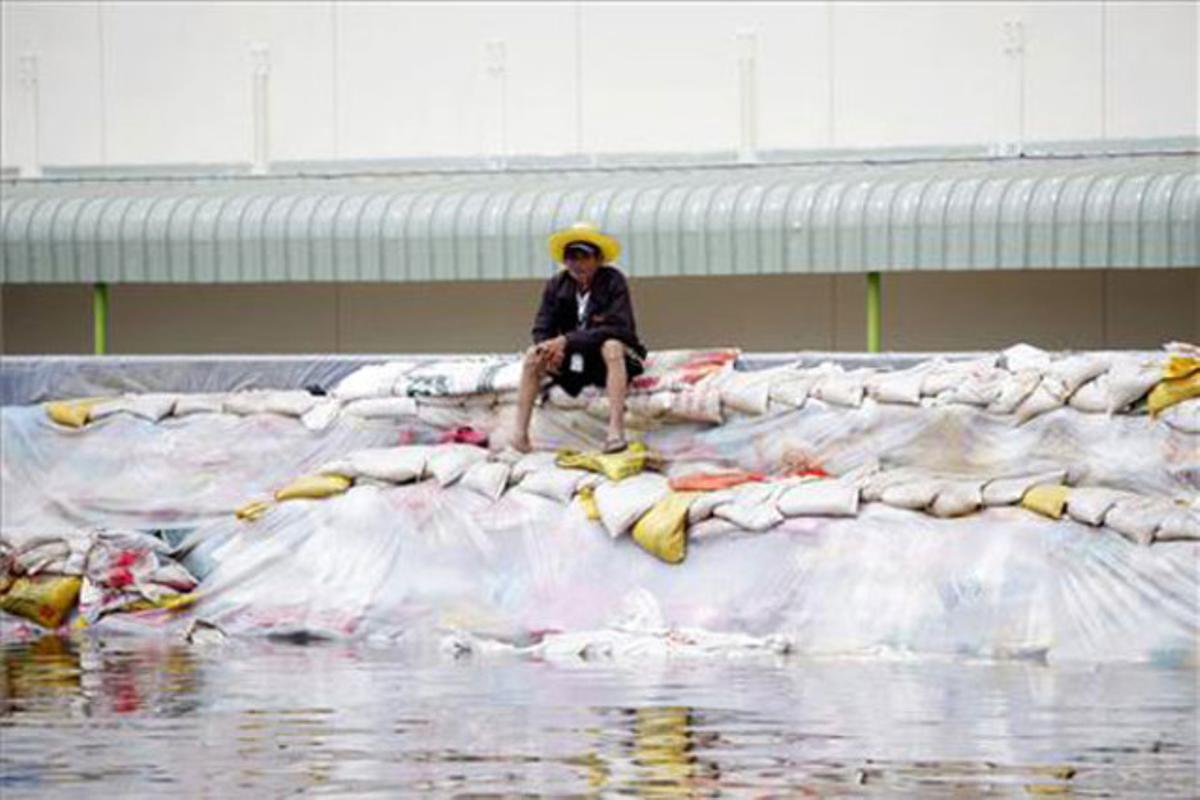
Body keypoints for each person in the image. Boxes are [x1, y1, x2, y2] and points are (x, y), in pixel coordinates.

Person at [512, 221, 647, 454]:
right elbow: (542, 326)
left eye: (583, 257)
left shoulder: (613, 281)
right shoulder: (556, 285)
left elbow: (619, 328)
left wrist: (567, 341)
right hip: (577, 362)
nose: (577, 264)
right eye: (571, 257)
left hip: (611, 361)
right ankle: (520, 436)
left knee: (612, 346)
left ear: (598, 259)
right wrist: (548, 349)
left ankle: (615, 431)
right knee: (533, 357)